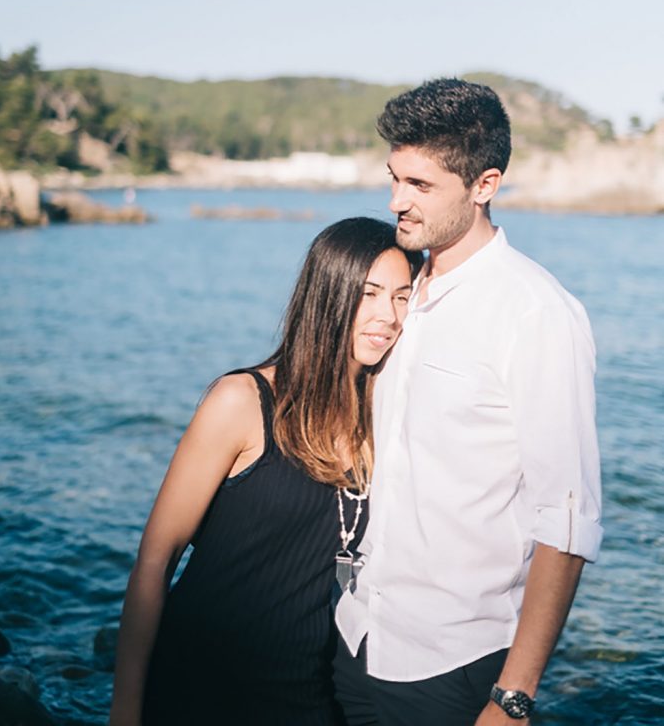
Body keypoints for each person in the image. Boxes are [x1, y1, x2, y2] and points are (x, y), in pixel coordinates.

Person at [334, 79, 603, 726]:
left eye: (420, 186)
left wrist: (512, 698)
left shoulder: (536, 313)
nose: (397, 201)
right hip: (353, 635)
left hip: (453, 666)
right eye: (395, 178)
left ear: (484, 185)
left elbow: (566, 521)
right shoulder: (400, 290)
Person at [109, 217, 422, 726]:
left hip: (309, 690)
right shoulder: (243, 402)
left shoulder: (379, 416)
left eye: (402, 297)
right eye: (370, 294)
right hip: (203, 682)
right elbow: (154, 559)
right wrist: (125, 708)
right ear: (329, 295)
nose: (388, 315)